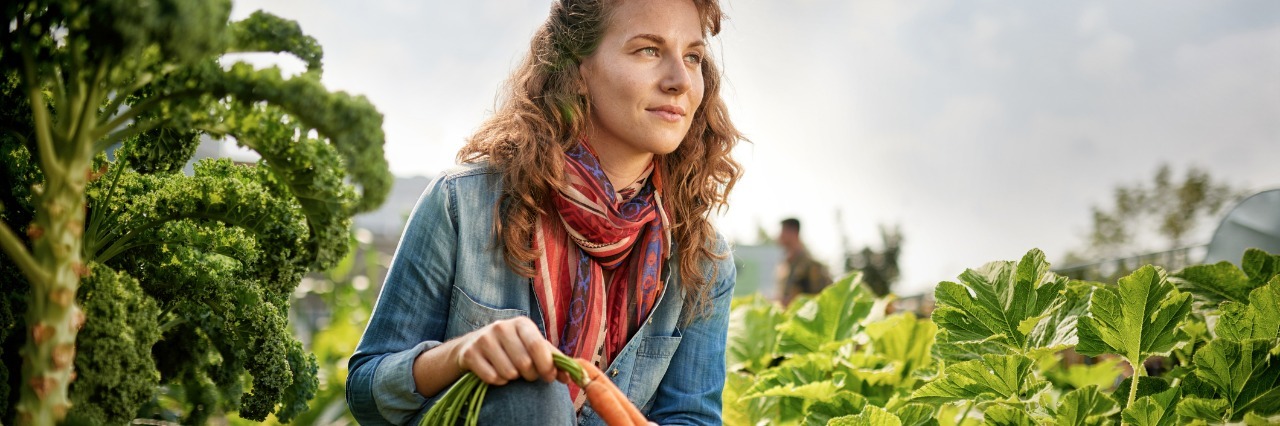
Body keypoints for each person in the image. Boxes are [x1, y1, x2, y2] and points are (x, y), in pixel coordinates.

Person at [345, 0, 742, 424]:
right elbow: (367, 391)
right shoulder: (464, 204)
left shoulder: (701, 256)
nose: (680, 81)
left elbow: (692, 416)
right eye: (648, 50)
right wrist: (459, 355)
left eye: (693, 57)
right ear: (579, 67)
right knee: (532, 394)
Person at [776, 218, 832, 306]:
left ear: (793, 233)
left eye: (783, 232)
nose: (779, 237)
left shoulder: (810, 265)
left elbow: (822, 296)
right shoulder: (785, 266)